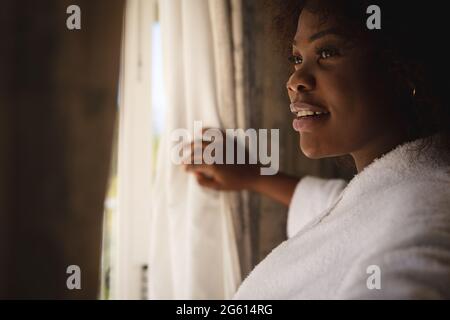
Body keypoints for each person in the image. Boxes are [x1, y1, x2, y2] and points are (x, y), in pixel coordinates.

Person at [184, 0, 450, 299]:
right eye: (296, 58)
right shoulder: (389, 190)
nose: (294, 80)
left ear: (405, 69)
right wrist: (255, 175)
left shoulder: (428, 212)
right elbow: (335, 207)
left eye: (327, 52)